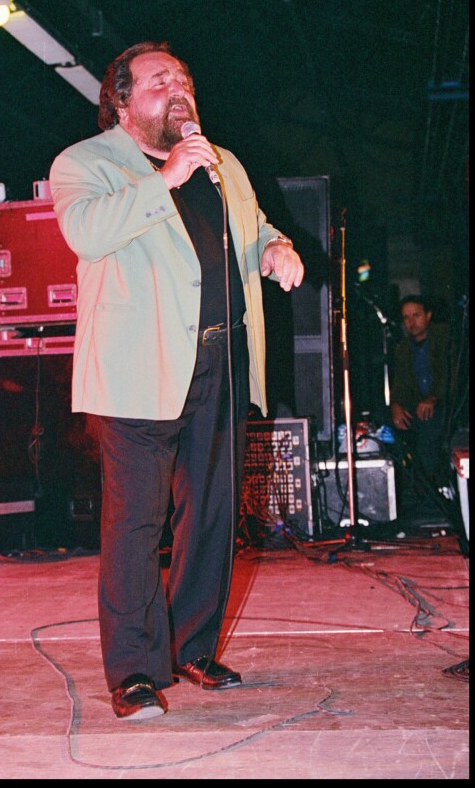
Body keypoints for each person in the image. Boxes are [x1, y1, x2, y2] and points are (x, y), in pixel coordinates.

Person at [49, 41, 304, 720]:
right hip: (138, 369)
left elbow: (253, 226)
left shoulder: (224, 165)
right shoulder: (87, 163)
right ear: (122, 101)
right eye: (161, 81)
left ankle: (192, 646)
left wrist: (274, 247)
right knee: (137, 522)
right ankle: (133, 671)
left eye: (185, 79)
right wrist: (163, 179)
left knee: (214, 519)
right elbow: (86, 232)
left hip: (220, 363)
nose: (180, 89)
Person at [390, 295, 449, 489]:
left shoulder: (444, 337)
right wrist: (396, 406)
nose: (411, 322)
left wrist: (433, 398)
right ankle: (404, 486)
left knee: (428, 427)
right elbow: (399, 384)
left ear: (428, 315)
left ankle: (431, 489)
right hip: (418, 407)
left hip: (445, 404)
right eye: (406, 317)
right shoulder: (403, 348)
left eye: (416, 315)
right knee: (384, 427)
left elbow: (450, 375)